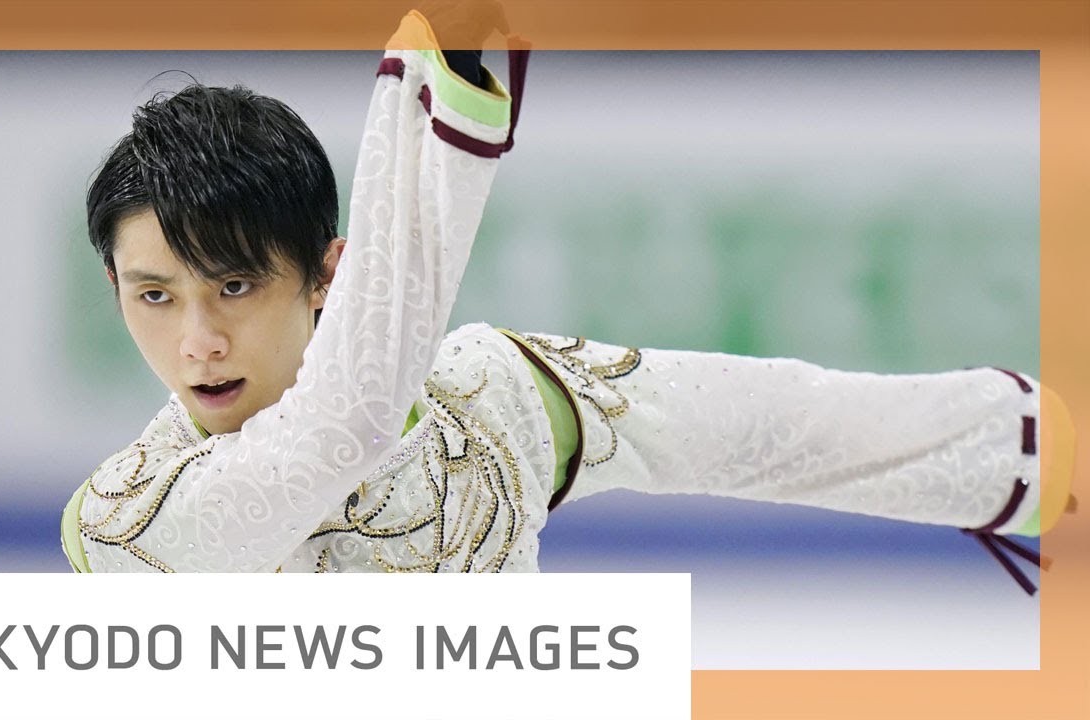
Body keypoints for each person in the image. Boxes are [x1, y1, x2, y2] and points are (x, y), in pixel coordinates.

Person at [61, 9, 1075, 589]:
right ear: (113, 288)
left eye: (234, 285)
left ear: (328, 274)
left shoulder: (487, 397)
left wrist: (1016, 449)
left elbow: (751, 423)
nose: (197, 340)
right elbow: (346, 427)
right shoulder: (125, 524)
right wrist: (431, 108)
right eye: (155, 295)